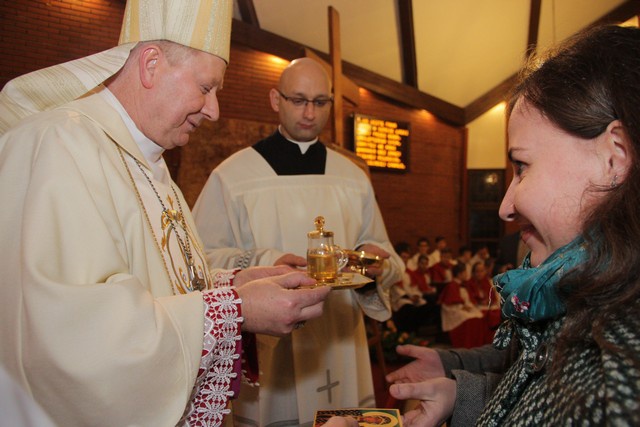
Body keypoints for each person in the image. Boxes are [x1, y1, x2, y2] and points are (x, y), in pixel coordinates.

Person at [0, 1, 331, 426]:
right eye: (206, 88)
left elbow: (153, 285)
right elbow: (69, 342)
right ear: (151, 64)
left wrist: (231, 283)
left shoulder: (152, 166)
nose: (214, 111)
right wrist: (235, 308)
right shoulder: (57, 146)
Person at [383, 25, 640, 426]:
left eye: (522, 167)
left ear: (613, 157)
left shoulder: (621, 360)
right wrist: (460, 393)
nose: (505, 207)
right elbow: (542, 391)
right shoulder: (590, 289)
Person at [192, 57, 404, 425]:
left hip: (341, 340)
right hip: (272, 352)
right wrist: (269, 261)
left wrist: (376, 265)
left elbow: (387, 257)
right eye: (298, 100)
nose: (309, 112)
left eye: (320, 102)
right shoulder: (233, 176)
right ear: (276, 100)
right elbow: (200, 263)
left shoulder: (353, 178)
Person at [438, 263, 484, 348]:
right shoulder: (452, 285)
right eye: (465, 272)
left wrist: (468, 306)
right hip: (453, 310)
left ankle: (476, 344)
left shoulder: (463, 284)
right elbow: (450, 303)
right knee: (469, 317)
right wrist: (462, 307)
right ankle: (466, 344)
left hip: (462, 308)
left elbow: (465, 300)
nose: (467, 274)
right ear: (459, 274)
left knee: (478, 315)